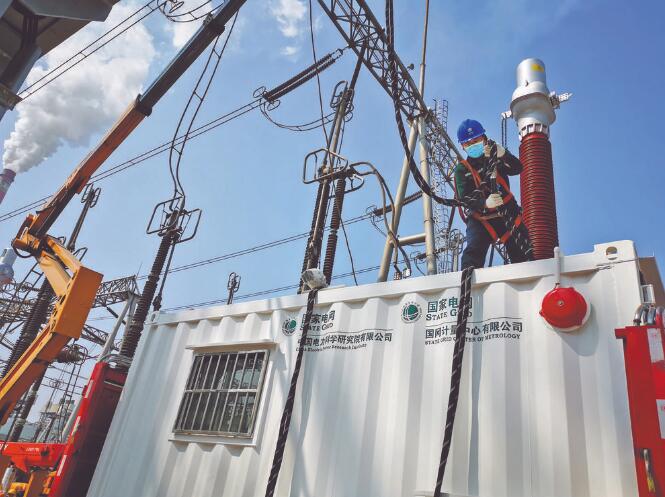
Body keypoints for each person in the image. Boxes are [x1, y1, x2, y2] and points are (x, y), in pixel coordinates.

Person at [454, 119, 533, 269]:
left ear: (484, 138)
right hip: (481, 219)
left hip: (507, 213)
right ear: (463, 146)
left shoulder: (495, 157)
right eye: (468, 144)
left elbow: (517, 168)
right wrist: (484, 203)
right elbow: (464, 198)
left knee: (523, 252)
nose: (472, 145)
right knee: (473, 253)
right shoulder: (462, 170)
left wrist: (503, 154)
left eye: (476, 141)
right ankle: (467, 280)